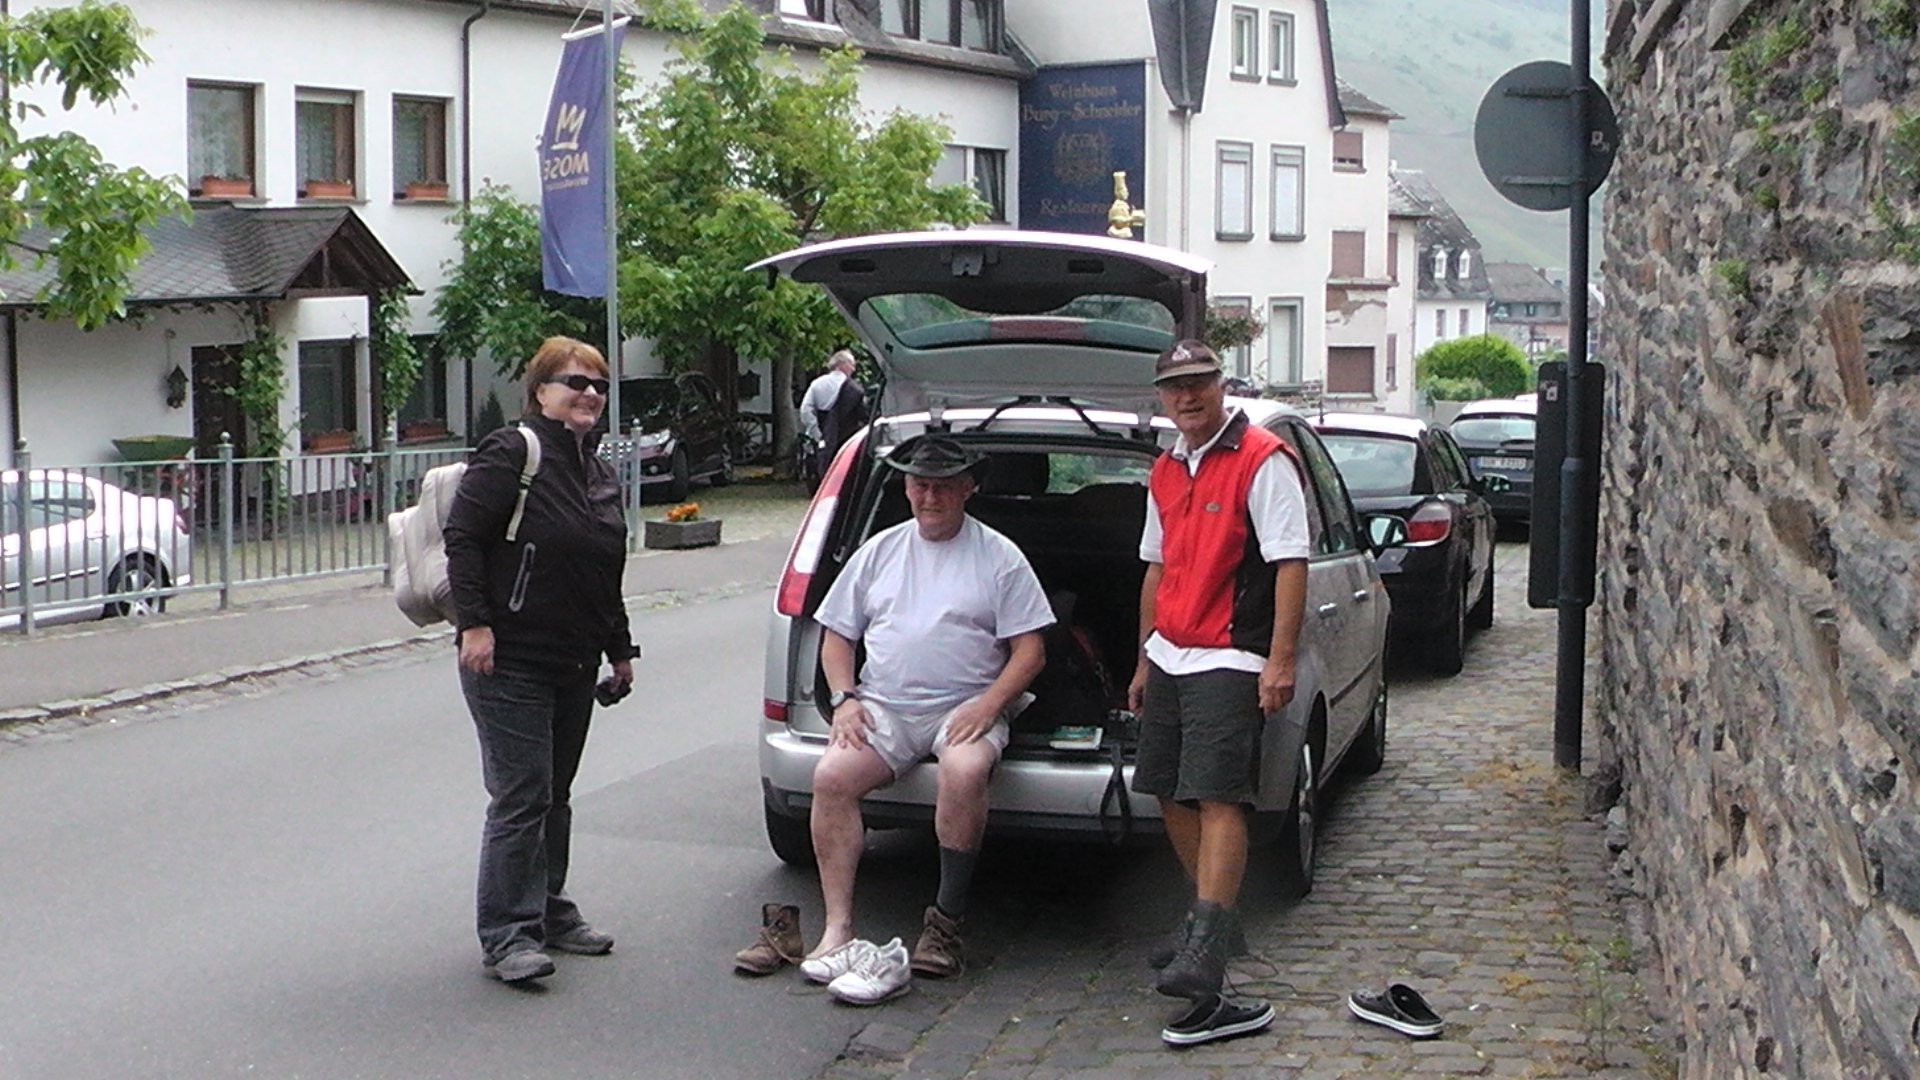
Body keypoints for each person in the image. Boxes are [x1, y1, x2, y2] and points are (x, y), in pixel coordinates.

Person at [782, 435, 1053, 1005]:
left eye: (943, 486)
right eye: (919, 485)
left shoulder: (1000, 555)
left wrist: (989, 704)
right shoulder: (879, 551)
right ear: (905, 488)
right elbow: (837, 637)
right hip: (885, 705)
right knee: (831, 777)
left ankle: (944, 924)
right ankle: (838, 929)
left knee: (964, 768)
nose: (930, 497)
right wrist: (845, 699)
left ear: (968, 488)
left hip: (967, 704)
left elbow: (1030, 652)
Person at [1127, 339, 1309, 1045]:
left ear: (1220, 384)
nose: (1187, 396)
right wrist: (1144, 659)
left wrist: (1279, 661)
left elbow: (1290, 562)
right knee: (1167, 789)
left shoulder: (1262, 458)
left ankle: (1206, 943)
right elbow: (1156, 567)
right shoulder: (1166, 466)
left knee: (1217, 795)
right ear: (1161, 397)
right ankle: (1213, 922)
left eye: (1199, 382)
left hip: (1231, 654)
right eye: (1175, 386)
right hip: (1171, 653)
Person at [444, 335, 637, 984]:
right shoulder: (512, 451)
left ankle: (550, 910)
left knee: (555, 795)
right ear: (540, 391)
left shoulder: (597, 471)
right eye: (575, 382)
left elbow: (604, 570)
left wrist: (619, 649)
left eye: (599, 385)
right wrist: (475, 625)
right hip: (510, 658)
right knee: (522, 794)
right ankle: (507, 935)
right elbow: (463, 538)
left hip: (573, 659)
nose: (589, 394)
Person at [799, 349, 866, 479]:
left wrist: (817, 434)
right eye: (851, 364)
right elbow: (862, 415)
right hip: (847, 436)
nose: (853, 369)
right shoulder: (855, 389)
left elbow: (805, 410)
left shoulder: (817, 384)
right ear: (841, 364)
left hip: (822, 433)